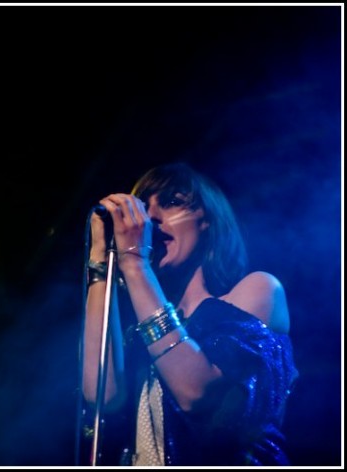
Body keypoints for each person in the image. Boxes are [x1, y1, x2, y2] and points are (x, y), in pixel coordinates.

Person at [81, 162, 299, 466]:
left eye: (170, 203)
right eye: (143, 208)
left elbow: (195, 392)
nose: (151, 219)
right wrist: (99, 264)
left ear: (206, 220)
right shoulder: (143, 330)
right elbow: (101, 396)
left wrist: (134, 261)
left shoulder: (258, 290)